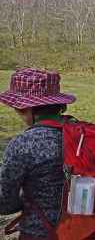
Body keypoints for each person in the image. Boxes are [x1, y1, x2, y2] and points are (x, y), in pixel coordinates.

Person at [0, 68, 76, 240]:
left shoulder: (23, 144)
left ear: (27, 108)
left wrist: (24, 200)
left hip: (41, 233)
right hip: (87, 229)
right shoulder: (81, 135)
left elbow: (4, 203)